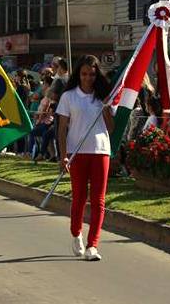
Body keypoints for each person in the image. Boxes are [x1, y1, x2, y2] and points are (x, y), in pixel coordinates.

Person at [56, 55, 114, 262]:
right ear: (78, 74)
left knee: (98, 200)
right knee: (79, 197)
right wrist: (63, 156)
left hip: (100, 150)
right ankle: (76, 233)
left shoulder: (103, 96)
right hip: (76, 152)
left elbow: (111, 128)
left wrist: (107, 108)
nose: (88, 78)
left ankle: (93, 245)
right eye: (84, 74)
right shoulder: (69, 96)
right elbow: (62, 129)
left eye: (92, 74)